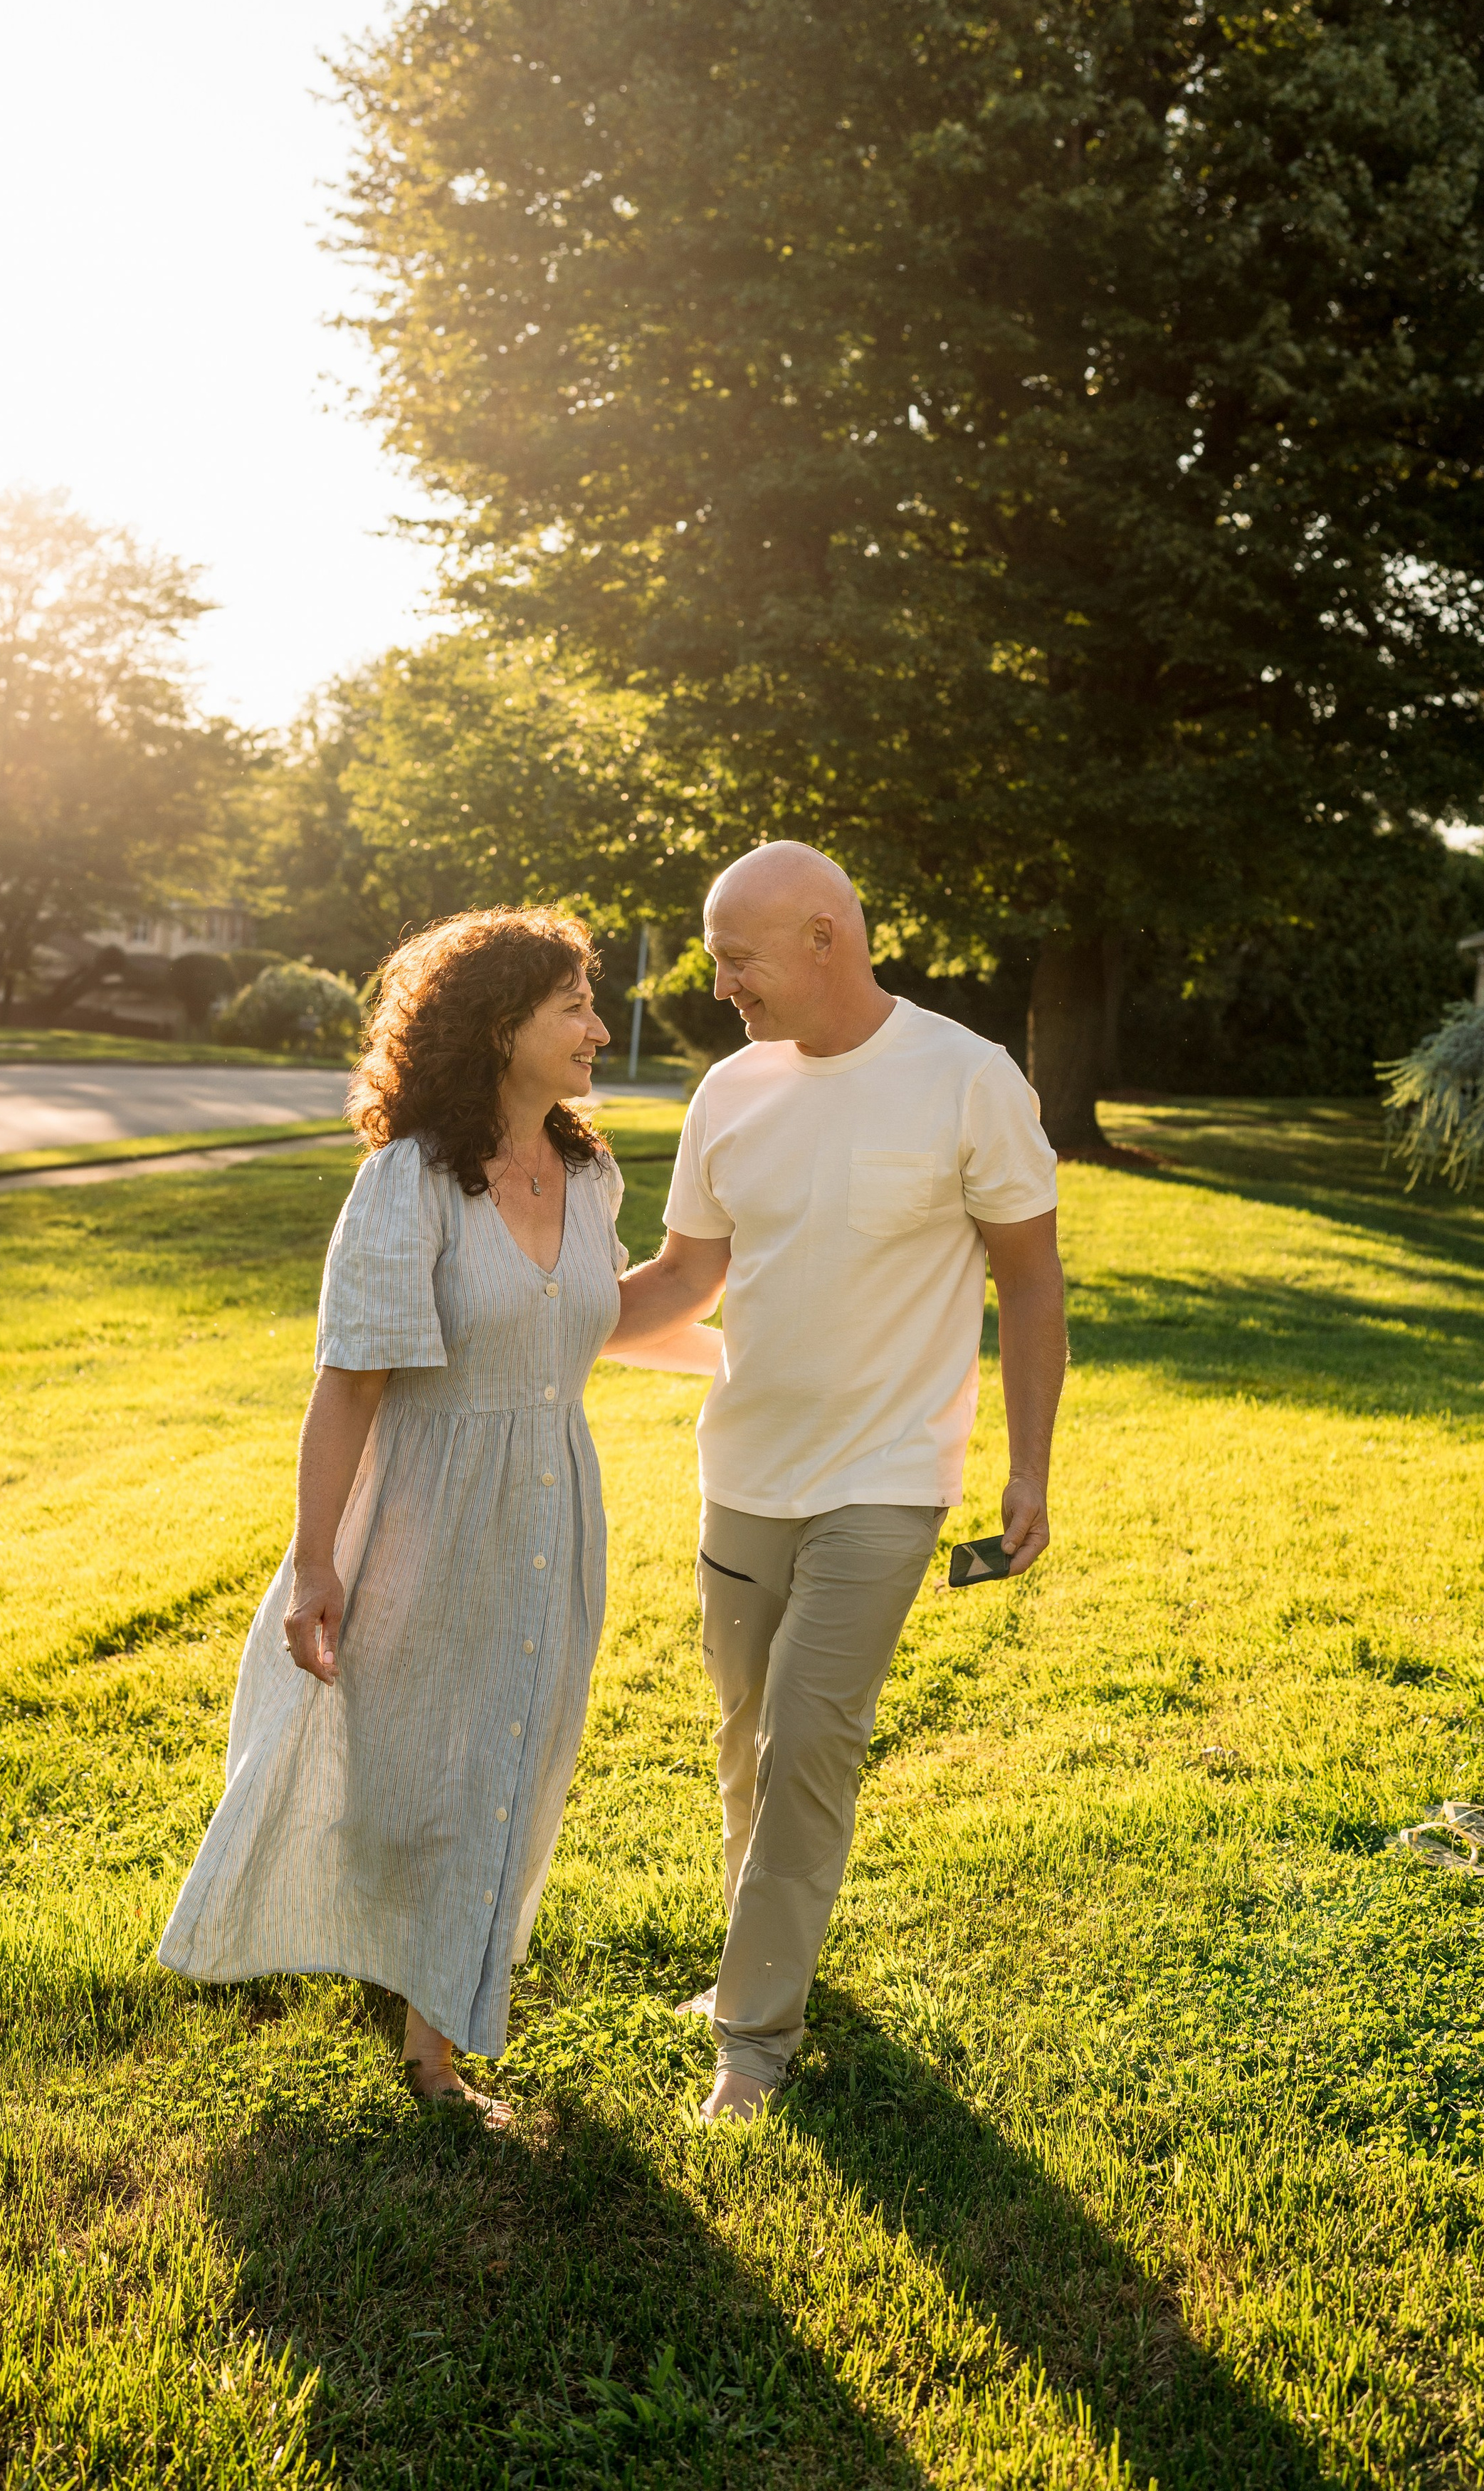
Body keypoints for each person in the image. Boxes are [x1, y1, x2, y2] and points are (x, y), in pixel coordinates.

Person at [157, 908, 705, 2115]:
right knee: (403, 1767)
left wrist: (739, 1326)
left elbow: (587, 1317)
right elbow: (349, 1384)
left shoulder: (592, 1175)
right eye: (573, 1006)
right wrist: (315, 1564)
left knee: (508, 1755)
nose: (598, 1028)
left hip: (552, 1515)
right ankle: (396, 1958)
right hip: (418, 1512)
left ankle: (432, 2042)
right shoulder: (407, 1183)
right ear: (498, 1025)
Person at [604, 842, 1067, 2124]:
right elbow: (684, 1280)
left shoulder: (967, 1077)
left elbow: (1030, 1279)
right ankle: (761, 1960)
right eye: (714, 960)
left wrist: (1029, 1465)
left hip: (888, 1475)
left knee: (810, 1738)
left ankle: (753, 2040)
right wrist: (540, 1311)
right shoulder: (730, 1091)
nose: (721, 985)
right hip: (745, 1467)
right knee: (745, 1737)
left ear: (826, 936)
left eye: (737, 959)